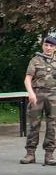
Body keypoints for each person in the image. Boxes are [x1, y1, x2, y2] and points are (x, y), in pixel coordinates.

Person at [20, 36, 56, 165]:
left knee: (53, 126)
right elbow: (28, 78)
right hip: (37, 94)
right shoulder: (35, 60)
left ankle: (49, 155)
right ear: (43, 46)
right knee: (34, 124)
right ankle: (30, 154)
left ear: (55, 48)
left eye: (51, 46)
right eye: (46, 45)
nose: (48, 48)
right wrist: (30, 93)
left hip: (53, 96)